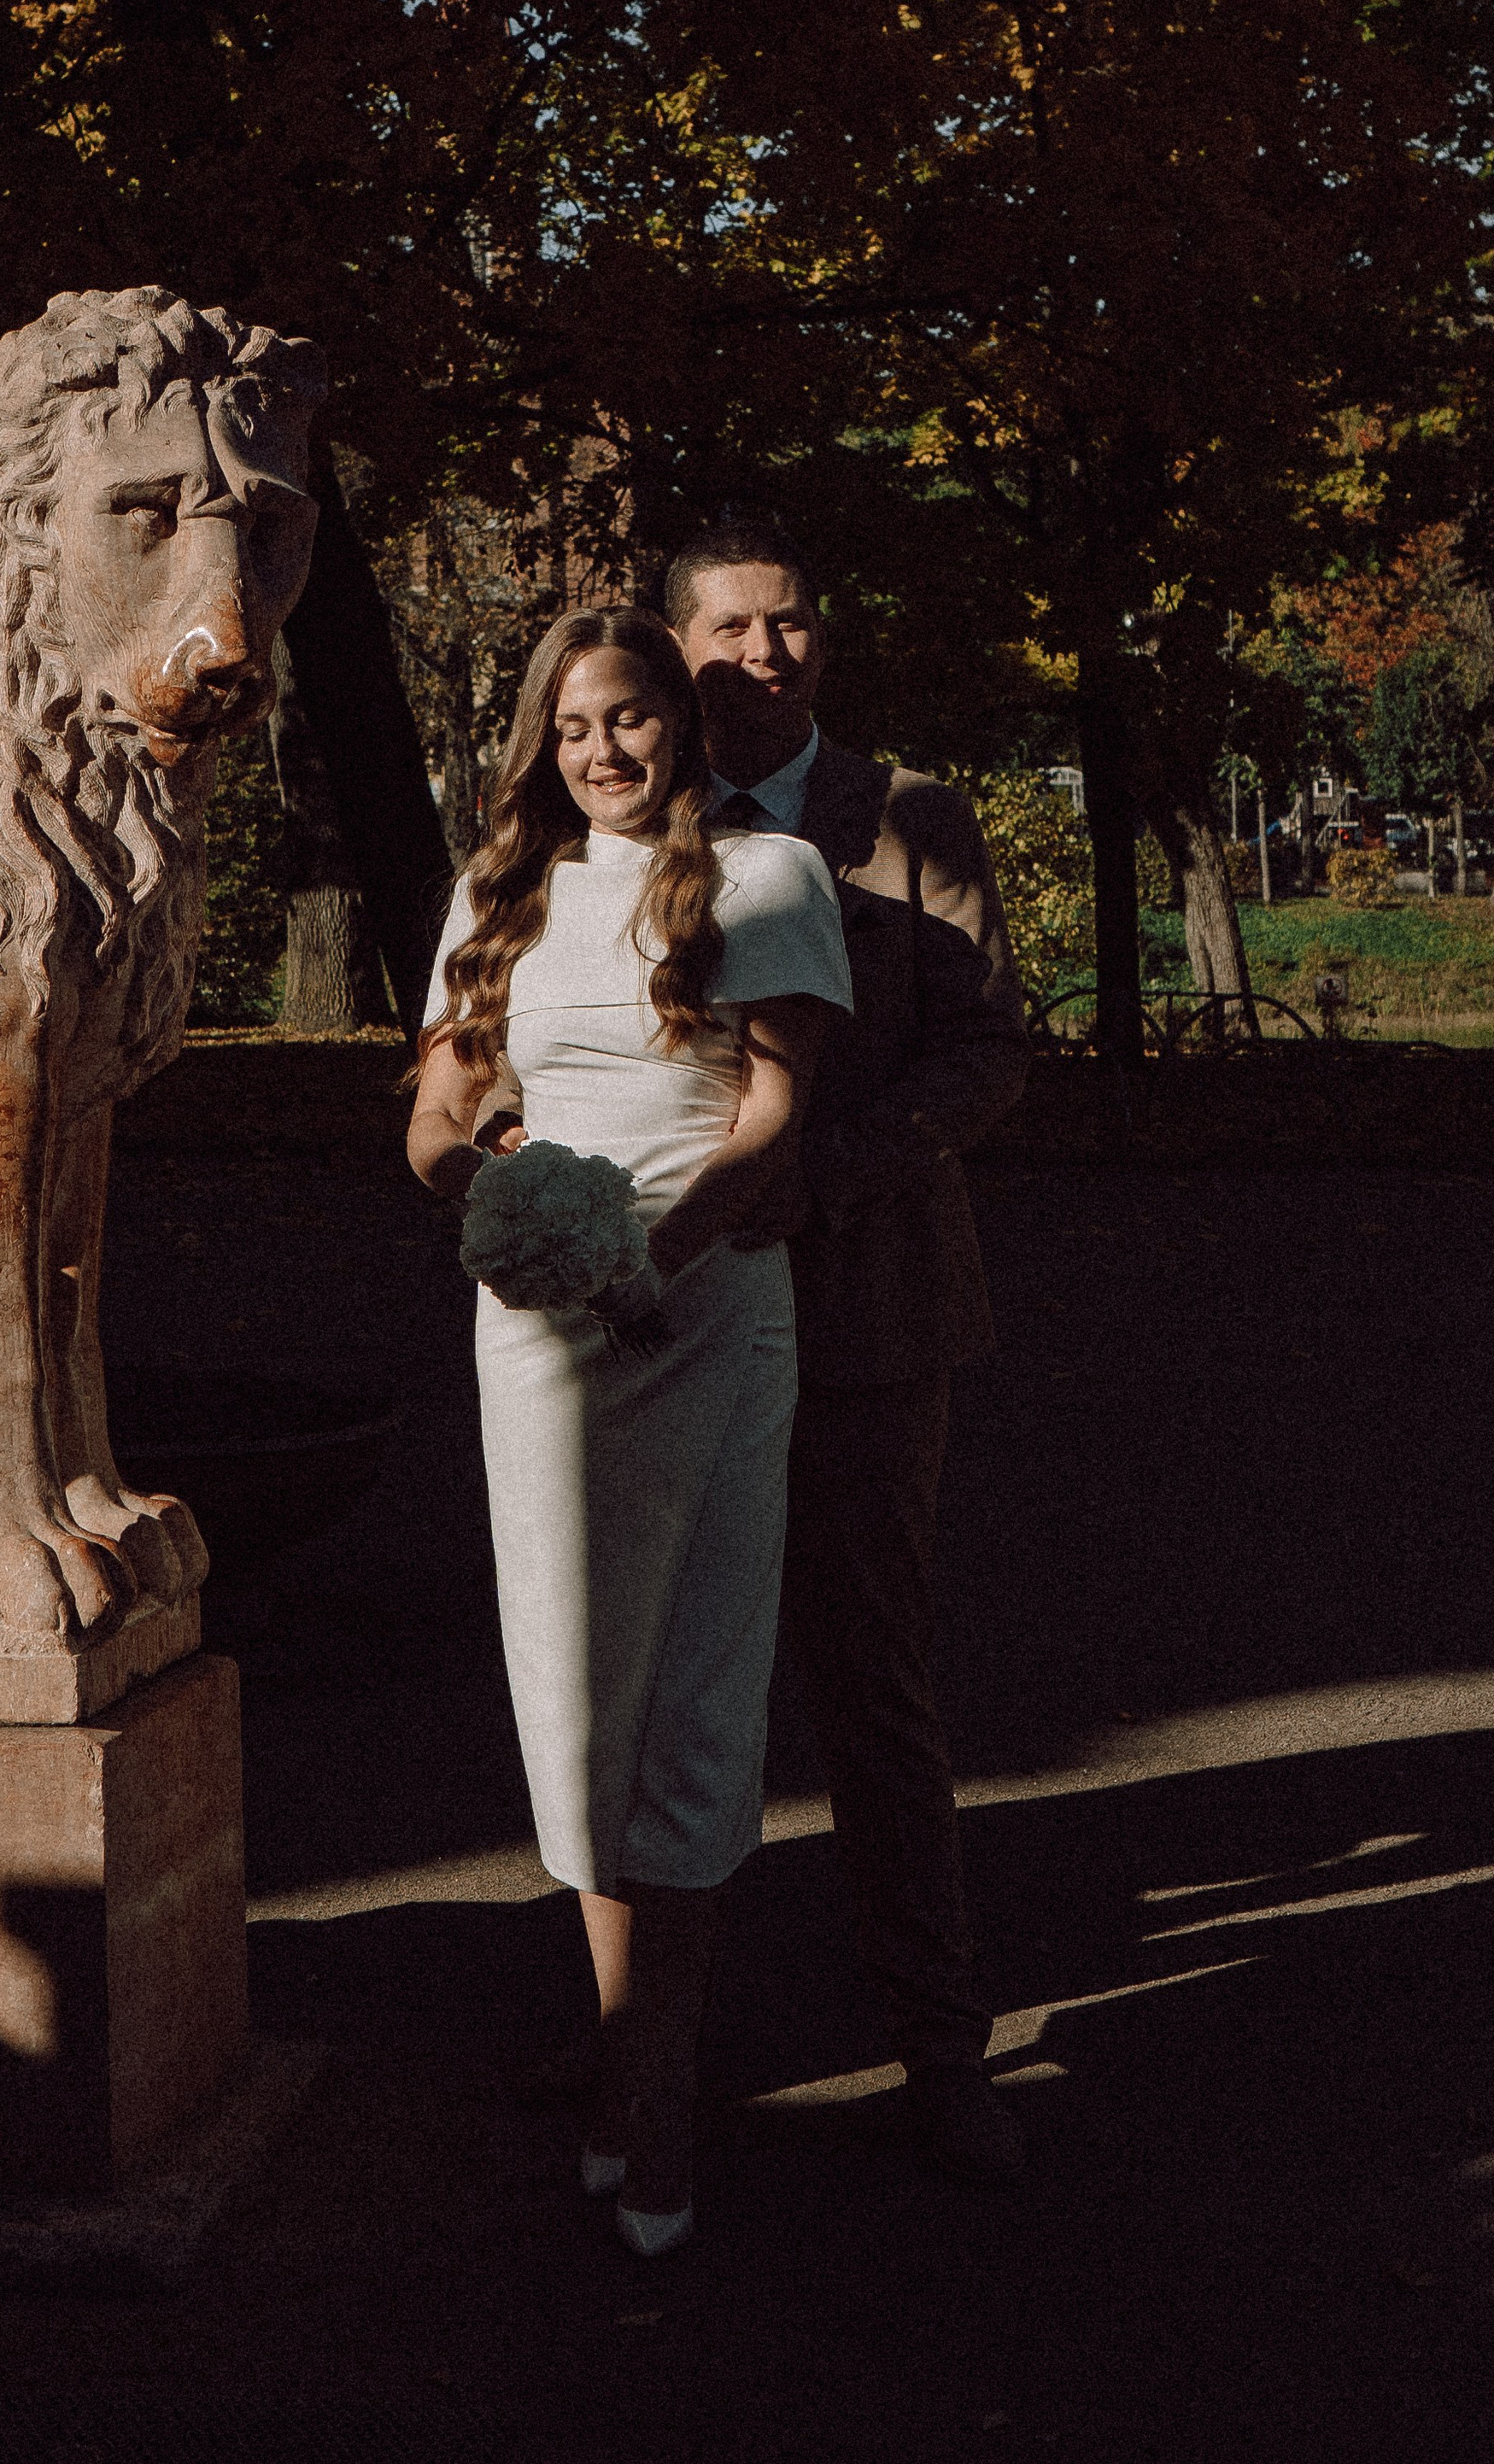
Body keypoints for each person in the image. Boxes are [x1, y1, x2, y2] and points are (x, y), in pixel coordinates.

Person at [407, 604, 850, 2256]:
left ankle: (657, 2093)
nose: (603, 751)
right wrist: (512, 1198)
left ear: (683, 722)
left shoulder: (767, 880)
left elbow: (775, 1120)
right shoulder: (498, 895)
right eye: (575, 725)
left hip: (711, 1314)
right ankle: (616, 2059)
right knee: (572, 1692)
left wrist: (644, 1258)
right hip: (540, 1339)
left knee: (695, 1685)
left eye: (633, 719)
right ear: (544, 738)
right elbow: (435, 1127)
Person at [664, 517, 1033, 2180]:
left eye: (788, 623)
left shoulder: (904, 822)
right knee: (664, 1685)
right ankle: (639, 2038)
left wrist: (819, 1171)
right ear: (677, 650)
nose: (763, 652)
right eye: (729, 628)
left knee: (867, 1683)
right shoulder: (623, 823)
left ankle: (937, 2045)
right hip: (664, 1333)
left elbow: (983, 1057)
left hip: (866, 1320)